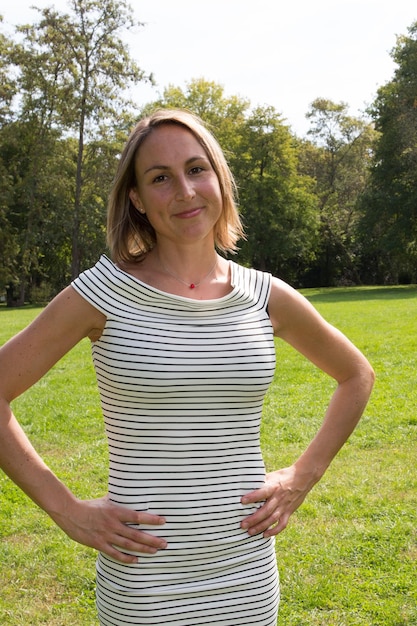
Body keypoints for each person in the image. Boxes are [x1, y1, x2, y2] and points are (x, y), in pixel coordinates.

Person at [0, 108, 374, 626]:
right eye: (160, 178)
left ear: (219, 178)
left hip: (245, 570)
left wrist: (301, 477)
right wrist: (65, 509)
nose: (185, 191)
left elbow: (357, 375)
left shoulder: (263, 295)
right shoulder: (101, 292)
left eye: (197, 169)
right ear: (136, 198)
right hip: (145, 577)